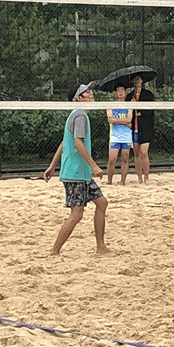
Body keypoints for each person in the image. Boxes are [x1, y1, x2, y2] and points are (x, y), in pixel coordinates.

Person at [44, 83, 109, 256]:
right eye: (87, 92)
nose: (91, 93)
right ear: (79, 98)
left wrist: (52, 166)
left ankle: (101, 247)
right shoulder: (80, 115)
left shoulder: (76, 114)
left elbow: (63, 143)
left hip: (81, 173)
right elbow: (77, 143)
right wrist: (94, 165)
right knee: (77, 213)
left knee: (102, 203)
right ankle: (54, 250)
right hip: (76, 173)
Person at [125, 75, 155, 184]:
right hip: (134, 128)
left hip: (145, 128)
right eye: (135, 79)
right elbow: (127, 112)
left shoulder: (148, 95)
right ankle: (139, 177)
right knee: (136, 153)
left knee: (144, 152)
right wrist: (132, 108)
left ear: (142, 81)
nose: (137, 81)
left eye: (138, 79)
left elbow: (151, 110)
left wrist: (141, 112)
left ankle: (146, 176)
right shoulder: (129, 96)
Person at [106, 84, 133, 185]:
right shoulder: (111, 105)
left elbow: (129, 119)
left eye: (122, 90)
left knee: (125, 158)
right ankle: (109, 180)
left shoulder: (129, 105)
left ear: (125, 92)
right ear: (115, 93)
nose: (121, 93)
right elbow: (110, 119)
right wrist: (125, 122)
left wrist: (117, 120)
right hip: (115, 136)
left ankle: (122, 181)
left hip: (126, 136)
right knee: (112, 159)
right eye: (118, 90)